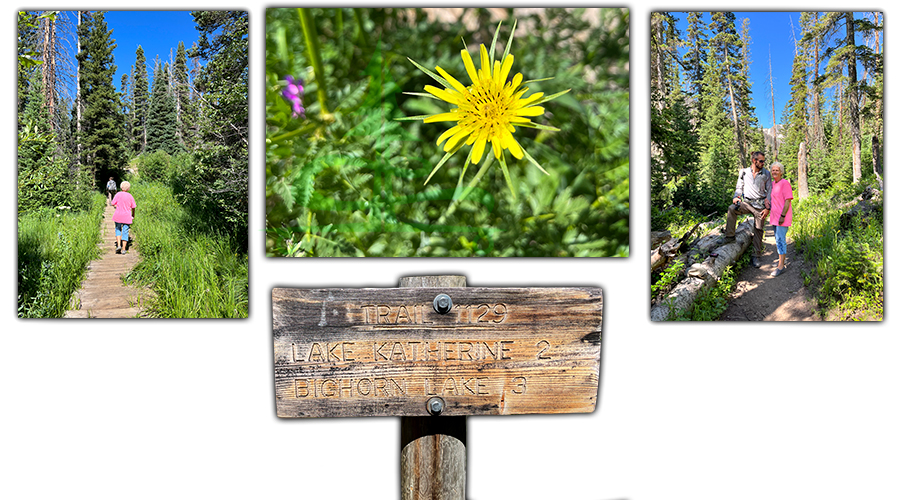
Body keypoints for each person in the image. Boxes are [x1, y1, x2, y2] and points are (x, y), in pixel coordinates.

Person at [723, 151, 772, 268]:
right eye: (761, 161)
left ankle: (756, 255)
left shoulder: (766, 173)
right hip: (747, 203)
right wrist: (736, 197)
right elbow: (739, 187)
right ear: (754, 161)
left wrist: (767, 208)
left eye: (764, 161)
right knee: (732, 209)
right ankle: (729, 237)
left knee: (759, 230)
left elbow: (770, 190)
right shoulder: (744, 172)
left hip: (760, 206)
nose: (763, 163)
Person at [768, 162, 793, 277]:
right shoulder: (772, 184)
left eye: (777, 170)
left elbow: (788, 200)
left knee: (780, 240)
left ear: (781, 172)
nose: (774, 172)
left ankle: (781, 266)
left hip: (782, 217)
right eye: (773, 170)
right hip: (774, 217)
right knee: (777, 240)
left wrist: (782, 216)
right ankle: (781, 260)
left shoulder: (785, 183)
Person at [111, 181, 137, 255]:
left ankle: (118, 245)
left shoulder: (118, 194)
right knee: (125, 231)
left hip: (118, 215)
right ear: (128, 188)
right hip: (127, 217)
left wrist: (117, 206)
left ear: (121, 187)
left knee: (118, 230)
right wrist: (133, 215)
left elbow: (113, 203)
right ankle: (124, 249)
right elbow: (133, 207)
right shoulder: (130, 196)